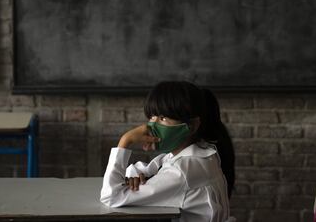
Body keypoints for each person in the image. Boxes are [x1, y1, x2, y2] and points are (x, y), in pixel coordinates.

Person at [100, 81, 236, 222]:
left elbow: (111, 196)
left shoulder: (184, 169)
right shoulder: (196, 153)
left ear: (192, 125)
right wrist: (135, 177)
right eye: (152, 116)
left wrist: (125, 141)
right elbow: (143, 170)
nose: (151, 125)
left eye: (163, 118)